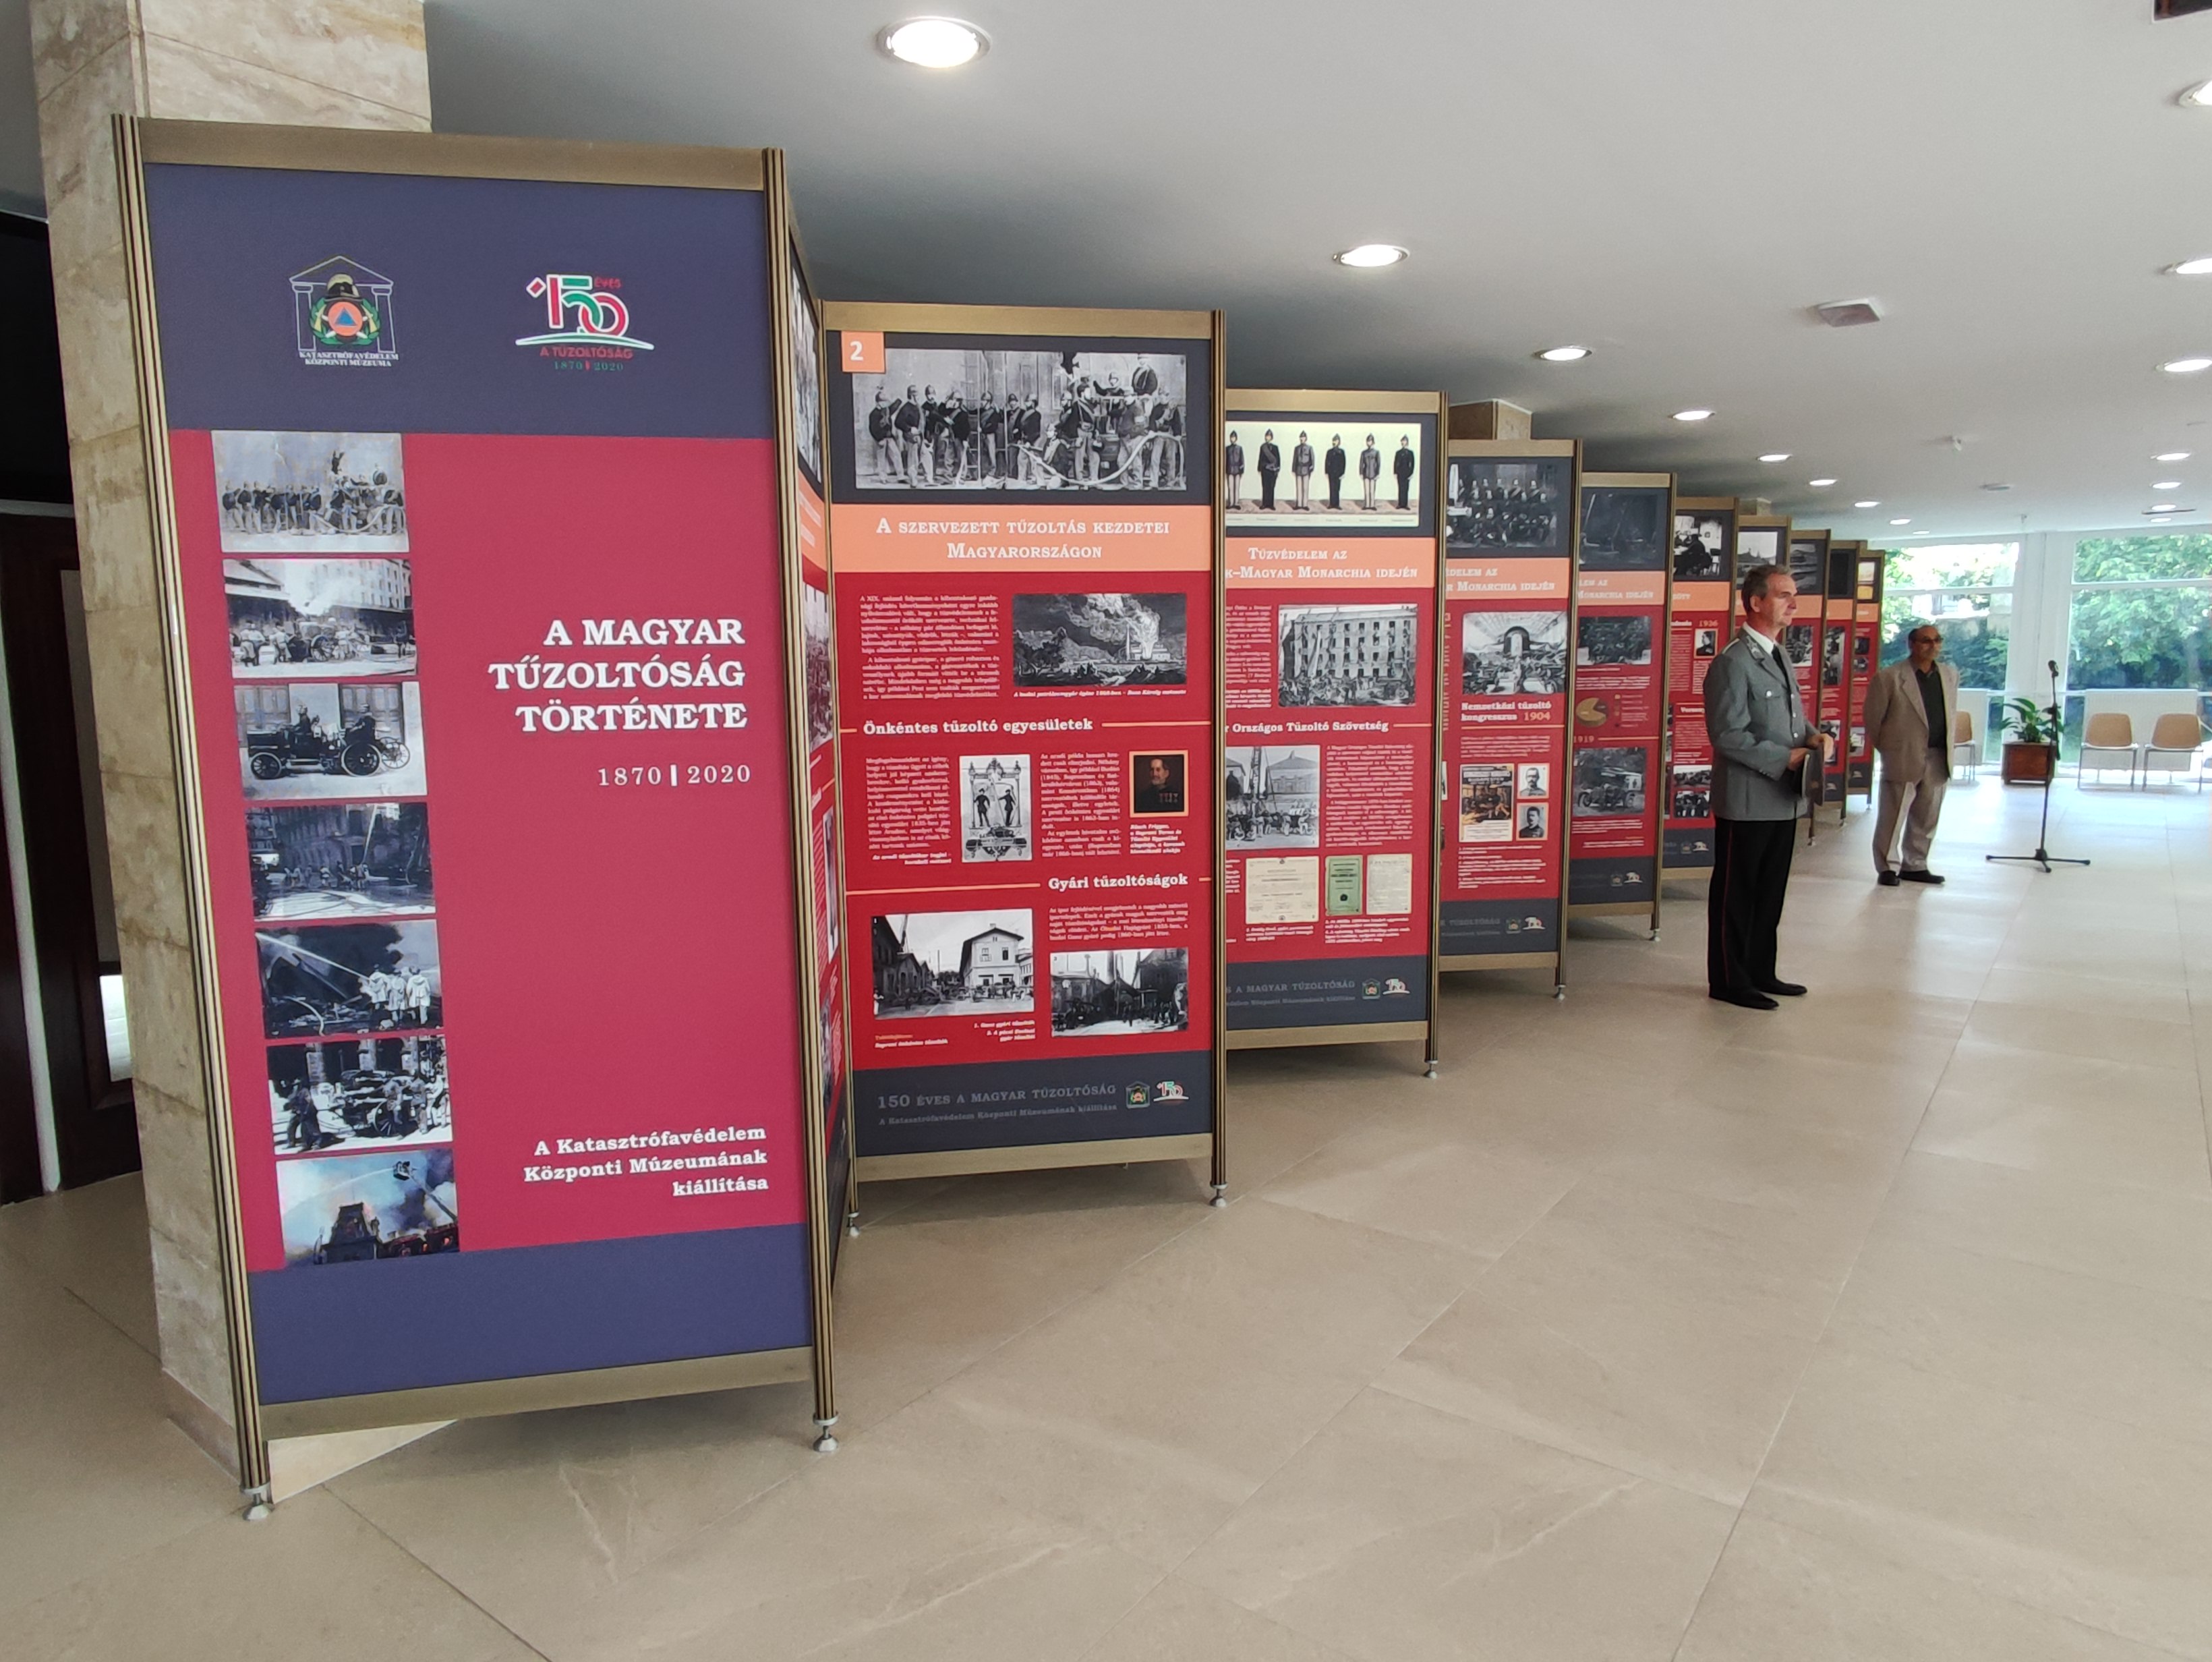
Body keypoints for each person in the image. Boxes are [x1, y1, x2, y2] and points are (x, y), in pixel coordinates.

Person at [1703, 563, 1832, 1010]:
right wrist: (1786, 758)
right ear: (1756, 602)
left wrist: (1813, 737)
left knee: (1770, 891)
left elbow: (1792, 719)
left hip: (1784, 797)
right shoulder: (1733, 661)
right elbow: (1727, 735)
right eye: (1783, 595)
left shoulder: (1778, 654)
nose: (1794, 604)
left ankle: (1760, 969)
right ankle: (1729, 979)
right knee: (1737, 893)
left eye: (1794, 595)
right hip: (1748, 799)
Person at [1861, 624, 1958, 887]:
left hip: (1938, 755)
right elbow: (1873, 720)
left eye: (1938, 640)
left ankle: (1915, 864)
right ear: (1912, 644)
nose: (1933, 646)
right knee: (1893, 815)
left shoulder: (1949, 675)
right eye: (1926, 641)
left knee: (1928, 815)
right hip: (1902, 754)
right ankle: (1887, 867)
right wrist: (1890, 749)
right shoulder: (1889, 677)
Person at [1257, 428, 1281, 510]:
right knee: (1265, 486)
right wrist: (1260, 468)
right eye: (1267, 436)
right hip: (1265, 469)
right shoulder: (1263, 447)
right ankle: (1264, 504)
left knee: (1272, 487)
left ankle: (1271, 504)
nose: (1268, 438)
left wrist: (1278, 468)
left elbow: (1278, 459)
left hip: (1273, 470)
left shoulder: (1275, 447)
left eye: (1269, 436)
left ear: (1272, 437)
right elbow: (1261, 458)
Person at [1291, 430, 1314, 510]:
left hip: (1306, 469)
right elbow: (1295, 459)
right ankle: (1299, 504)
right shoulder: (1297, 448)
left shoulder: (1309, 448)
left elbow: (1312, 459)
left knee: (1305, 488)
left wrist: (1311, 469)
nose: (1302, 439)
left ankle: (1305, 505)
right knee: (1299, 488)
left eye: (1303, 437)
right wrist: (1294, 469)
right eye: (1301, 437)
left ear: (1306, 438)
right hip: (1298, 469)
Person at [1393, 433, 1417, 510]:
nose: (1403, 442)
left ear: (1407, 442)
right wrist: (1395, 472)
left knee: (1406, 489)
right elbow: (1396, 463)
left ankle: (1405, 504)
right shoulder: (1398, 453)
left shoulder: (1410, 453)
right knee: (1400, 488)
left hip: (1407, 473)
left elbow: (1412, 464)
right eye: (1402, 441)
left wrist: (1412, 473)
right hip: (1400, 473)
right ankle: (1400, 504)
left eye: (1404, 441)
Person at [1324, 434, 1347, 510]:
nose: (1335, 442)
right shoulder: (1329, 452)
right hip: (1331, 472)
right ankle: (1331, 504)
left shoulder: (1341, 452)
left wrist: (1343, 473)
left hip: (1338, 473)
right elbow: (1327, 462)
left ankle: (1337, 504)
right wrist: (1326, 472)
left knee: (1337, 489)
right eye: (1334, 440)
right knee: (1331, 488)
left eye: (1336, 441)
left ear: (1339, 442)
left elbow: (1343, 463)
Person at [1359, 434, 1381, 509]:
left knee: (1372, 490)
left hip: (1373, 473)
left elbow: (1378, 464)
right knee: (1367, 490)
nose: (1369, 443)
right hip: (1366, 473)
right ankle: (1367, 505)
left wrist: (1378, 473)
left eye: (1370, 441)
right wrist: (1361, 473)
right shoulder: (1364, 453)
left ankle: (1372, 505)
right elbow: (1361, 463)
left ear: (1373, 442)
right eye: (1368, 441)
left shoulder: (1376, 452)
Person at [1225, 428, 1245, 509]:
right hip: (1230, 470)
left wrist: (1242, 470)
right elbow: (1226, 460)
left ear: (1236, 438)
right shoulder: (1227, 448)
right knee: (1230, 487)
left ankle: (1236, 503)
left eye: (1234, 437)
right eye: (1231, 437)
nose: (1233, 439)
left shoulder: (1239, 448)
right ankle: (1231, 503)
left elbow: (1242, 460)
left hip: (1238, 470)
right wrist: (1225, 470)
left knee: (1237, 487)